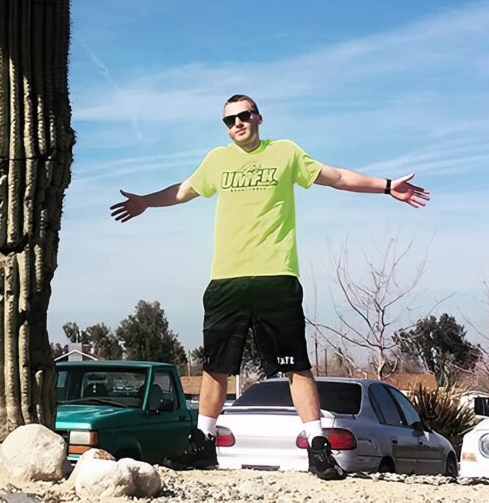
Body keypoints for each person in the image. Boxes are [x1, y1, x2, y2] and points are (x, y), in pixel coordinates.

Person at [110, 93, 429, 480]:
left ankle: (317, 448)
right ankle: (202, 444)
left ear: (258, 117)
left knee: (296, 366)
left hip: (276, 275)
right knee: (215, 366)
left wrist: (387, 185)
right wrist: (145, 201)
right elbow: (181, 191)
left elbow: (338, 177)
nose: (237, 125)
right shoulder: (216, 160)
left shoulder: (285, 153)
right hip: (226, 279)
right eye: (228, 121)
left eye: (243, 116)